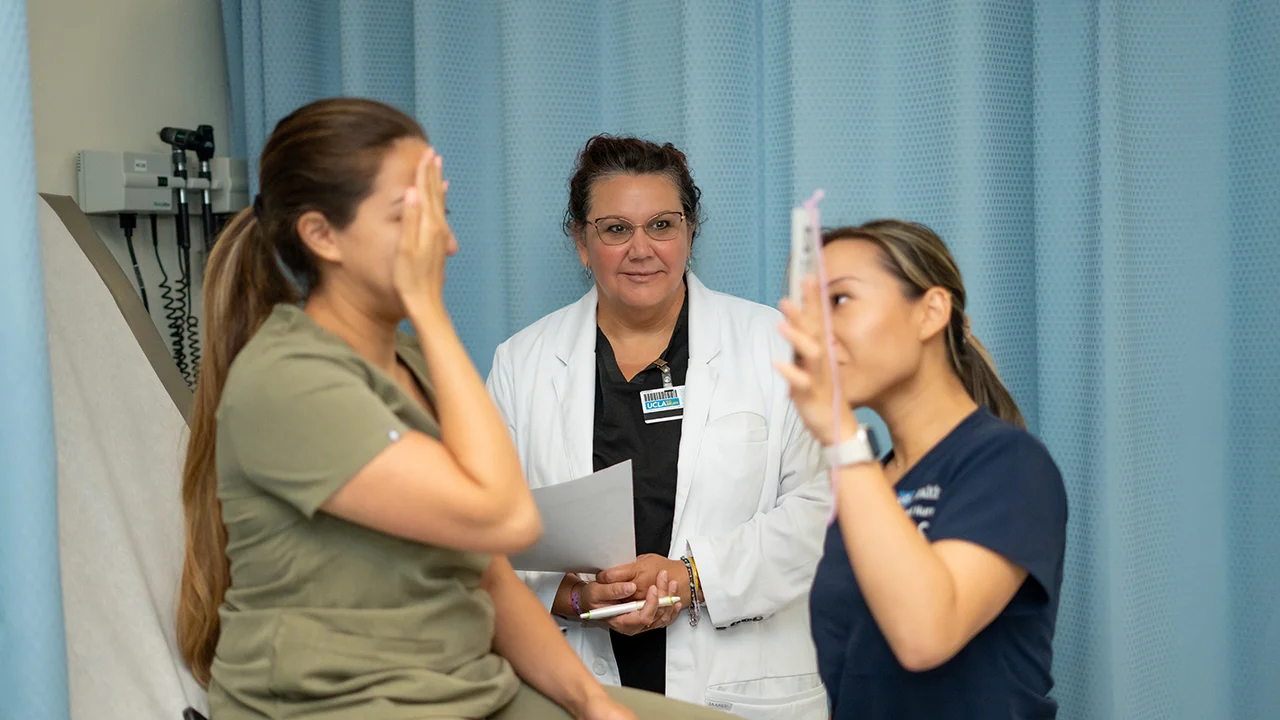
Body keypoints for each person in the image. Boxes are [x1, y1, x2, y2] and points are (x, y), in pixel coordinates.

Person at [176, 98, 730, 720]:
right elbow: (505, 521)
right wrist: (432, 309)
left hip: (464, 687)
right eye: (409, 215)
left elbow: (489, 573)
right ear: (322, 234)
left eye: (439, 210)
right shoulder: (288, 381)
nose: (445, 239)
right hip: (341, 701)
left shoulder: (408, 361)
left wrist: (591, 704)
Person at [487, 135, 831, 718]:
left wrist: (692, 578)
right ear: (581, 242)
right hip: (578, 681)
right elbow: (484, 531)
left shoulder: (773, 345)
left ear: (691, 232)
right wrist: (571, 597)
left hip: (742, 682)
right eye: (615, 229)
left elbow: (822, 508)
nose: (641, 249)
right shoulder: (522, 363)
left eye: (662, 225)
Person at [774, 219, 1069, 719]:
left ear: (930, 312)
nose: (817, 333)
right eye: (809, 310)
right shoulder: (869, 481)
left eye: (839, 301)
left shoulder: (1011, 465)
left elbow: (924, 636)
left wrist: (841, 436)